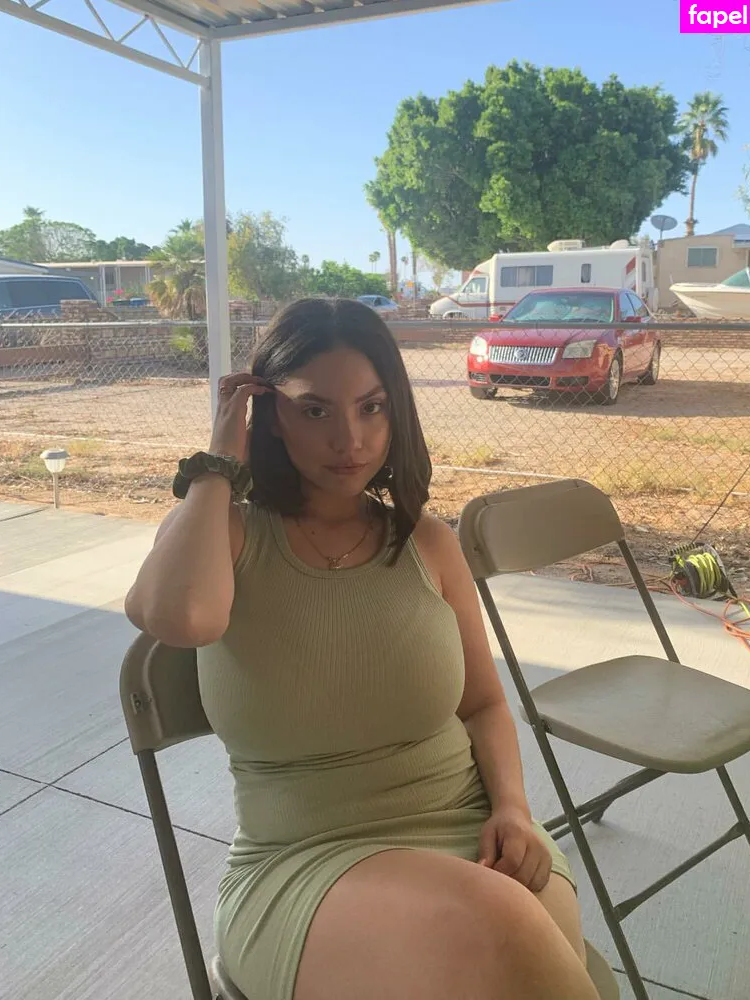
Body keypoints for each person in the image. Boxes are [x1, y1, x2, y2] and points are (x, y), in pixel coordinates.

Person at [124, 298, 600, 1000]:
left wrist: (513, 808)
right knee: (505, 931)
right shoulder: (227, 533)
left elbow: (484, 703)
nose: (349, 439)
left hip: (471, 825)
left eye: (371, 408)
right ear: (269, 413)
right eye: (315, 409)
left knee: (521, 940)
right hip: (302, 862)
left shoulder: (427, 543)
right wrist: (216, 466)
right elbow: (180, 617)